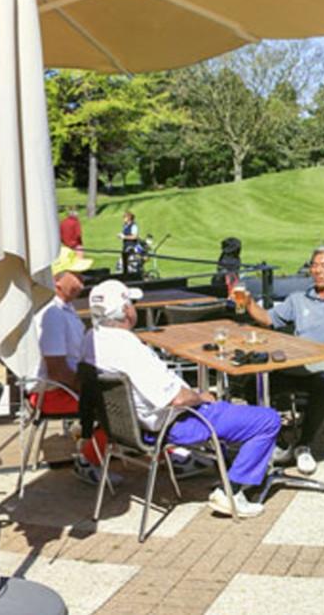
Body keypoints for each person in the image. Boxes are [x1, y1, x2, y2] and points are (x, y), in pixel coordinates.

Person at [82, 279, 281, 518]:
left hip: (127, 428)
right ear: (125, 310)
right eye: (132, 303)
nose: (135, 307)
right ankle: (232, 491)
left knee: (230, 414)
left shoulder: (91, 340)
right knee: (267, 419)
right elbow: (175, 399)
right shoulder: (129, 348)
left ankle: (229, 465)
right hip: (176, 423)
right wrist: (201, 396)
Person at [241, 245, 324, 475]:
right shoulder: (298, 299)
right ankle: (276, 441)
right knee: (252, 386)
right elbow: (268, 319)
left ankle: (303, 445)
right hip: (295, 366)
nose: (317, 270)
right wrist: (248, 303)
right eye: (314, 265)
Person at [31, 248, 110, 484]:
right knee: (121, 405)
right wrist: (89, 388)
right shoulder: (53, 313)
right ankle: (88, 458)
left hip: (55, 389)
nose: (82, 280)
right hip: (54, 394)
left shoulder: (62, 308)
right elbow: (58, 371)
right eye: (76, 275)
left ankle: (89, 440)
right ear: (57, 280)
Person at [119, 211, 140, 275]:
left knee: (131, 264)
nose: (123, 219)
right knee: (122, 264)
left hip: (131, 248)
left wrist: (124, 237)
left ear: (128, 218)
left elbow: (135, 237)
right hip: (125, 247)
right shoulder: (125, 226)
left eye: (124, 217)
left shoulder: (134, 226)